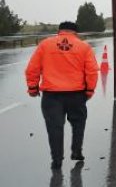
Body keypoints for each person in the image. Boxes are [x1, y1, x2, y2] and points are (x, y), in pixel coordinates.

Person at [25, 21, 99, 170]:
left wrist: (32, 87)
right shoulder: (84, 47)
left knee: (54, 128)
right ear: (75, 32)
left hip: (51, 96)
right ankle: (77, 152)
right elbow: (91, 71)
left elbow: (32, 68)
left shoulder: (45, 45)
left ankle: (56, 160)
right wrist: (89, 90)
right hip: (76, 95)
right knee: (78, 123)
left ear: (59, 31)